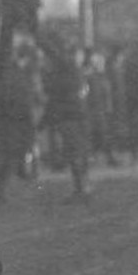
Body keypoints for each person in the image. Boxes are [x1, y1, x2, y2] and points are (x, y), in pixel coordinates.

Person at [40, 36, 91, 202]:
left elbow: (54, 54)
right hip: (77, 114)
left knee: (75, 152)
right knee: (78, 151)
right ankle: (83, 187)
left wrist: (40, 39)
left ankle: (81, 189)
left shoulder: (67, 68)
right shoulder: (74, 70)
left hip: (70, 116)